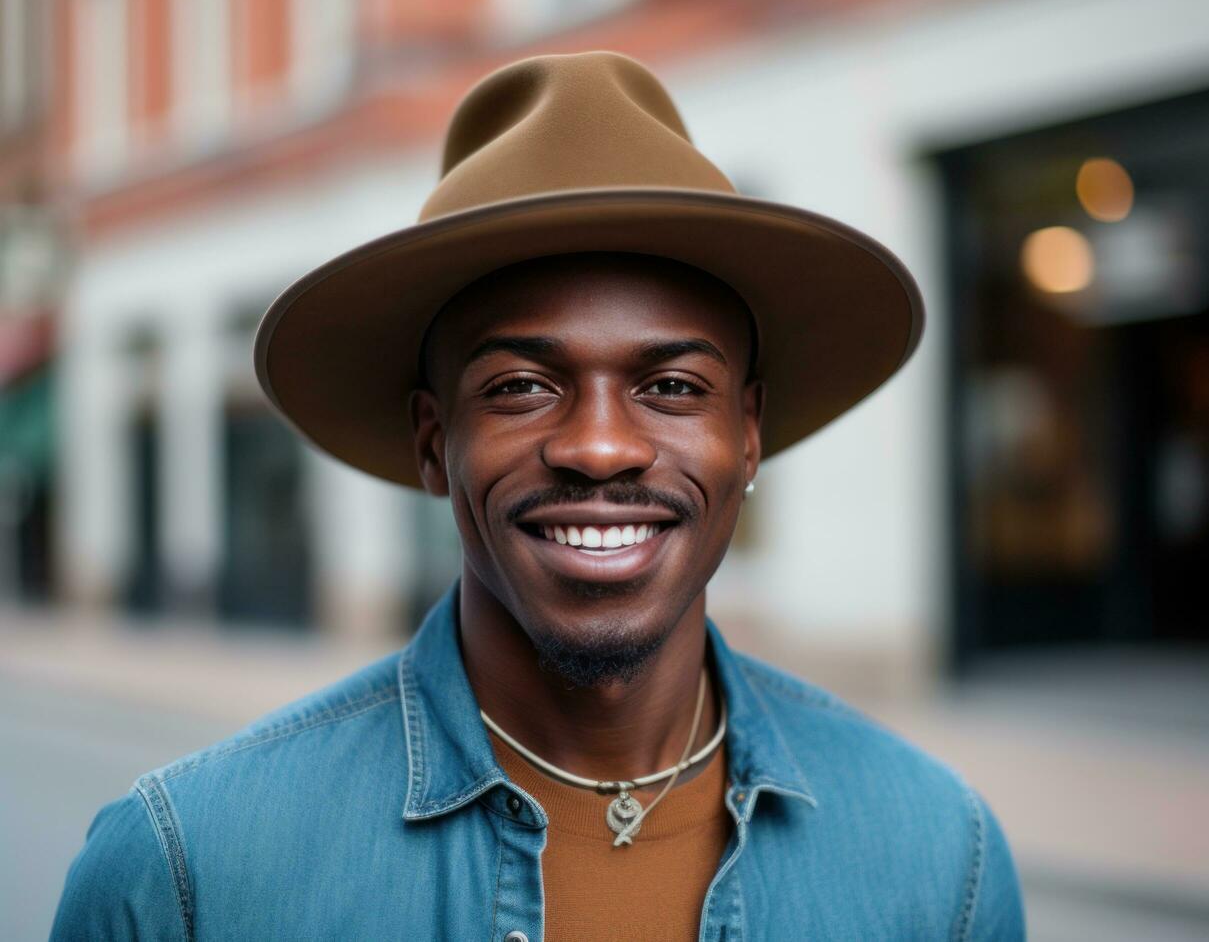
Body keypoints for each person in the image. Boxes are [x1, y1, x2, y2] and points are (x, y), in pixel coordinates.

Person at [52, 50, 1025, 941]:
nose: (599, 446)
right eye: (520, 385)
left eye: (673, 387)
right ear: (436, 443)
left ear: (750, 431)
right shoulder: (189, 873)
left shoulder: (941, 859)